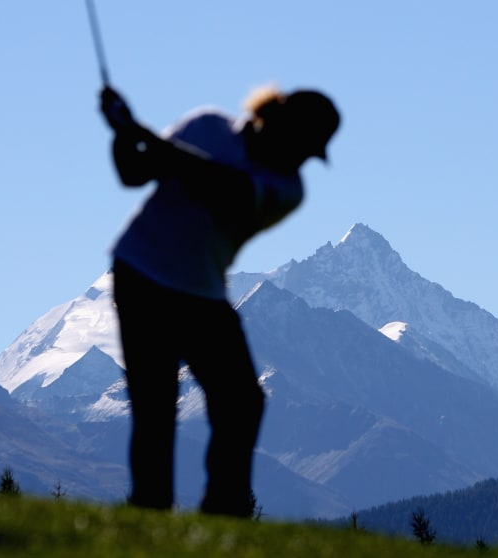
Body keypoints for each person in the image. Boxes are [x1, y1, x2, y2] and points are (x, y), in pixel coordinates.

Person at [98, 82, 339, 517]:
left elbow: (220, 187)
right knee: (156, 407)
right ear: (280, 125)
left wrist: (138, 129)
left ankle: (221, 517)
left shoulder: (286, 188)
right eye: (305, 146)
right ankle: (153, 518)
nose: (304, 159)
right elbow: (134, 172)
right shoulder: (208, 125)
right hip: (141, 275)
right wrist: (120, 130)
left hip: (199, 292)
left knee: (241, 402)